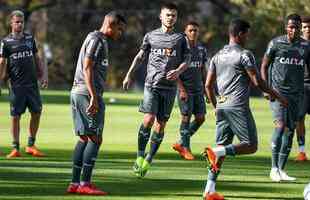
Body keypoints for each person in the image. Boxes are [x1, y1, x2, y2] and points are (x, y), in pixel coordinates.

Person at [203, 18, 287, 200]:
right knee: (250, 145)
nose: (248, 37)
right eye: (247, 34)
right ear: (240, 34)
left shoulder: (217, 55)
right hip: (238, 105)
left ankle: (208, 190)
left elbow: (208, 85)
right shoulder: (244, 54)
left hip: (222, 105)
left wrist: (216, 106)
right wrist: (278, 95)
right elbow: (258, 81)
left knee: (221, 147)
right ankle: (217, 152)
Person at [123, 3, 190, 178]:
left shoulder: (180, 39)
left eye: (174, 15)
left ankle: (148, 159)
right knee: (149, 118)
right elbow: (140, 56)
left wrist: (178, 71)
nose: (171, 18)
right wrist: (129, 74)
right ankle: (139, 156)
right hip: (152, 85)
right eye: (168, 15)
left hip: (169, 88)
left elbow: (187, 60)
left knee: (161, 124)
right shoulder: (151, 36)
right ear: (161, 16)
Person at [66, 11, 126, 195]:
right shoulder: (97, 40)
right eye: (120, 29)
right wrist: (93, 96)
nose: (121, 33)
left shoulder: (97, 39)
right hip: (86, 93)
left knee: (84, 138)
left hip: (79, 91)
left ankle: (75, 183)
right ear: (111, 24)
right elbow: (87, 66)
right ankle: (85, 183)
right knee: (95, 138)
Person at [261, 13, 310, 182]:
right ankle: (273, 168)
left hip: (296, 95)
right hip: (278, 92)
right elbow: (264, 65)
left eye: (296, 27)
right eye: (291, 27)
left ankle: (282, 169)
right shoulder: (275, 43)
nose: (294, 30)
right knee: (280, 126)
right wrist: (266, 88)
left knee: (290, 130)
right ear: (286, 27)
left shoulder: (305, 46)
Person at [0, 10, 48, 158]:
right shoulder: (6, 42)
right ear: (11, 23)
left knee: (37, 112)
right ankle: (15, 147)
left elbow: (37, 58)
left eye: (21, 22)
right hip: (16, 86)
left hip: (32, 84)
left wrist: (43, 74)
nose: (19, 24)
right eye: (17, 22)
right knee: (16, 116)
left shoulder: (29, 39)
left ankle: (31, 144)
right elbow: (2, 62)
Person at [172, 21, 208, 160]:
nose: (193, 33)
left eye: (196, 30)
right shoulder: (180, 49)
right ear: (185, 32)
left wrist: (206, 88)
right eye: (191, 30)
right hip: (185, 90)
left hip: (198, 89)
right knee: (186, 117)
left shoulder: (201, 49)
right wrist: (181, 89)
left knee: (200, 118)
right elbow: (175, 72)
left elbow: (202, 69)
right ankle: (186, 149)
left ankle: (181, 143)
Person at [295, 15, 310, 162]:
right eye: (304, 27)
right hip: (301, 86)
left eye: (309, 27)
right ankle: (302, 151)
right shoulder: (297, 45)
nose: (307, 30)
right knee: (299, 118)